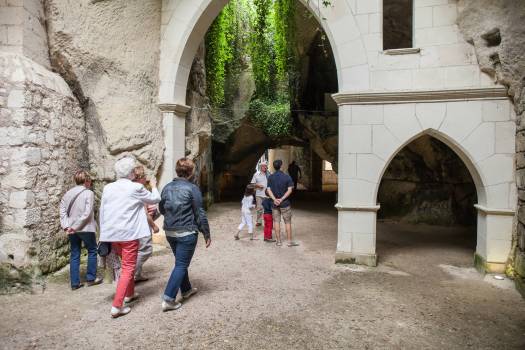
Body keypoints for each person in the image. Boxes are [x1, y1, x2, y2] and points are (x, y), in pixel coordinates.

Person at [99, 156, 161, 318]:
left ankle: (129, 294)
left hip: (113, 234)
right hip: (129, 235)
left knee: (125, 265)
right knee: (128, 268)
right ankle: (117, 306)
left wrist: (103, 234)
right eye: (134, 170)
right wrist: (154, 186)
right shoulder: (135, 188)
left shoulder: (108, 188)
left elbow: (103, 211)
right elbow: (155, 199)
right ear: (131, 173)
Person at [159, 158, 211, 312]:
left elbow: (162, 209)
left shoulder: (166, 188)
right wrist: (206, 233)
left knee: (180, 261)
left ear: (177, 171)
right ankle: (168, 299)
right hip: (186, 232)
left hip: (169, 231)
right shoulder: (192, 188)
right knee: (181, 264)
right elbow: (199, 213)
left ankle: (186, 289)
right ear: (190, 172)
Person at [59, 170, 103, 290]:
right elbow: (87, 213)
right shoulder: (88, 193)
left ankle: (75, 283)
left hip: (72, 229)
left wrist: (67, 226)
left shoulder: (67, 193)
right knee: (93, 250)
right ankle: (91, 278)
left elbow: (62, 211)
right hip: (86, 228)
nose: (90, 183)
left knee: (74, 253)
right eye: (90, 181)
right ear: (86, 181)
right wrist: (75, 226)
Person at [132, 165, 160, 282]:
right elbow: (145, 213)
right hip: (143, 225)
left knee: (139, 249)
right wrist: (154, 226)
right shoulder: (138, 190)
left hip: (141, 225)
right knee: (145, 250)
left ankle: (137, 275)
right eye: (144, 176)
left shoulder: (138, 188)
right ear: (140, 177)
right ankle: (129, 273)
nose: (146, 178)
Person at [267, 159, 298, 247]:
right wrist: (281, 199)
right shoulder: (287, 177)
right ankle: (289, 242)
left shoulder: (270, 177)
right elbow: (290, 190)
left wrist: (275, 199)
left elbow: (268, 190)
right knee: (287, 222)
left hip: (274, 204)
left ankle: (279, 241)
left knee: (276, 222)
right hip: (285, 203)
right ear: (281, 166)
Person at [250, 161, 270, 227]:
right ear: (260, 167)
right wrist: (258, 186)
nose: (265, 167)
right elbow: (252, 184)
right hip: (259, 194)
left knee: (268, 209)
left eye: (266, 166)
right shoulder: (256, 174)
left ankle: (268, 222)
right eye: (263, 166)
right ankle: (259, 221)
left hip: (268, 194)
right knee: (259, 209)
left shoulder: (269, 174)